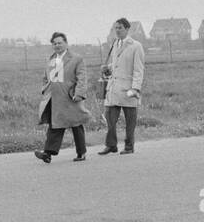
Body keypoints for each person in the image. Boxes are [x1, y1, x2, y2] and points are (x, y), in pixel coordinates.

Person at [35, 32, 90, 163]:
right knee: (55, 125)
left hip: (70, 97)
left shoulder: (77, 59)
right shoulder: (51, 59)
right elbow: (46, 77)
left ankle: (81, 153)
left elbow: (82, 78)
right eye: (54, 43)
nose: (57, 45)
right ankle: (47, 153)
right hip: (55, 99)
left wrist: (79, 93)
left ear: (66, 43)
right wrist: (45, 89)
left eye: (59, 42)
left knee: (76, 124)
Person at [98, 17, 145, 155]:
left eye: (120, 28)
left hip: (128, 89)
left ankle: (129, 147)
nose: (117, 31)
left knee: (130, 121)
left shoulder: (136, 46)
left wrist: (135, 88)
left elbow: (138, 69)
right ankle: (111, 145)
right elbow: (117, 64)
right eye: (115, 28)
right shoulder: (115, 44)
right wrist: (108, 68)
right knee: (110, 117)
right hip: (114, 88)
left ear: (127, 29)